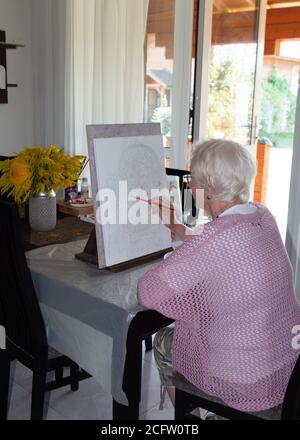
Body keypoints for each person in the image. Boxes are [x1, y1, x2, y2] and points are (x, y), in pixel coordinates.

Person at [137, 139, 300, 417]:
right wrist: (178, 227)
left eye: (193, 180)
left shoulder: (213, 239)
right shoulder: (261, 216)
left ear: (209, 189)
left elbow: (147, 293)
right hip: (286, 367)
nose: (189, 186)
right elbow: (225, 250)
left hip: (243, 381)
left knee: (163, 341)